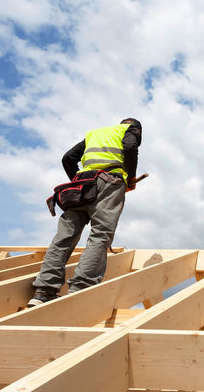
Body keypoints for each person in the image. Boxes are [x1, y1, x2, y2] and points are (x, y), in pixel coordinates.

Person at [27, 118, 142, 307]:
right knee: (100, 235)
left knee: (64, 236)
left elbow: (68, 158)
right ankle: (81, 289)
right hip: (109, 183)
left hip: (80, 186)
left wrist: (78, 179)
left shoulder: (95, 134)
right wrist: (130, 179)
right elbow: (130, 147)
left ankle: (43, 291)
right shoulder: (130, 130)